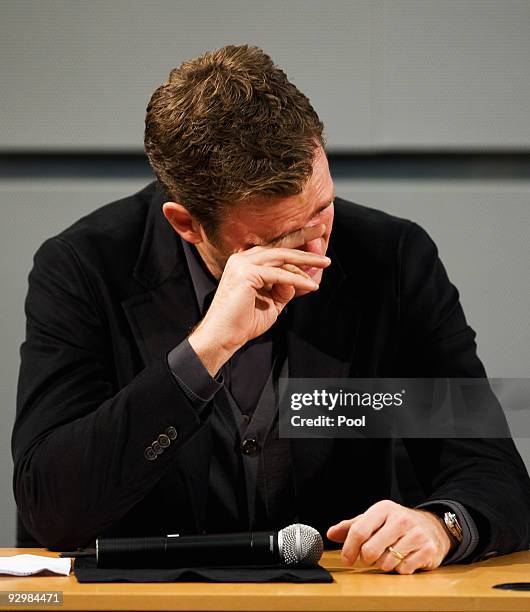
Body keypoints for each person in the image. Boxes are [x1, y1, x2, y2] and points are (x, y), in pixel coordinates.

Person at [12, 45, 530, 574]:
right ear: (187, 224)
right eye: (280, 238)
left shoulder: (390, 260)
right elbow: (53, 510)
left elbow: (492, 472)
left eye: (323, 208)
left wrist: (443, 524)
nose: (317, 254)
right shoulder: (85, 267)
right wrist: (204, 351)